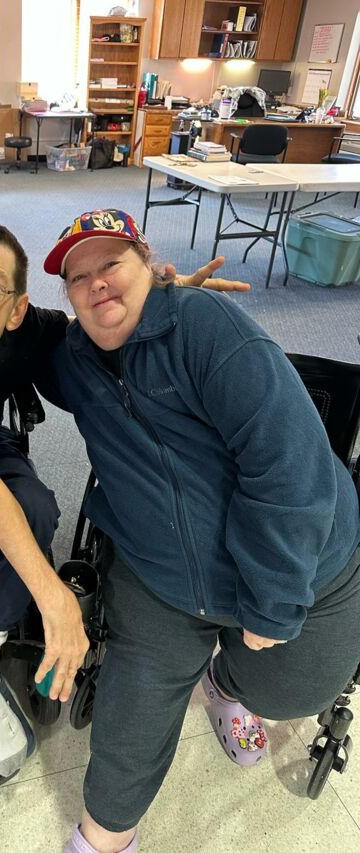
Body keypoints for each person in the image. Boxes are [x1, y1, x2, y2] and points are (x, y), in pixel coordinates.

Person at [0, 218, 247, 781]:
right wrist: (53, 597)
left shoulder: (30, 328)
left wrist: (156, 295)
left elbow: (97, 317)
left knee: (39, 508)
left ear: (17, 309)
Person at [40, 209, 360, 853]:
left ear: (148, 262)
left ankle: (224, 684)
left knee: (294, 690)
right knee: (133, 714)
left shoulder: (207, 327)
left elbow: (290, 466)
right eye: (78, 277)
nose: (97, 283)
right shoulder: (71, 358)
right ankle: (102, 840)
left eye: (112, 264)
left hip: (304, 559)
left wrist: (273, 599)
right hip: (159, 571)